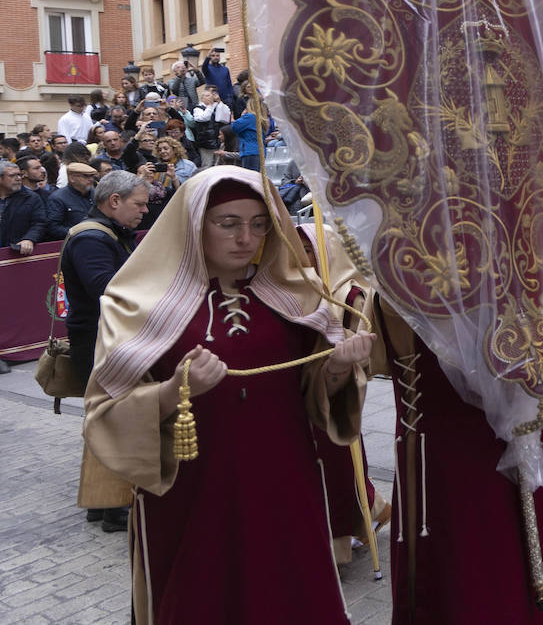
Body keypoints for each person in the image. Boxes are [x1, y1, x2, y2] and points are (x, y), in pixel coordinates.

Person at [82, 167, 373, 624]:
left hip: (285, 483)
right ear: (195, 225)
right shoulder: (137, 303)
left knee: (289, 594)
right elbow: (104, 412)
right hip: (193, 493)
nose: (246, 237)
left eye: (259, 223)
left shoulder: (296, 296)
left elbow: (313, 395)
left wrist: (336, 368)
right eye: (229, 223)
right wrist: (173, 392)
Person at [377, 303, 543, 625]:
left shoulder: (497, 276)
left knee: (512, 588)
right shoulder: (402, 284)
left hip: (507, 457)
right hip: (450, 471)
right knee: (469, 591)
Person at [295, 223, 391, 566]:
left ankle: (341, 543)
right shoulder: (292, 289)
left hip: (336, 397)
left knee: (337, 473)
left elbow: (365, 351)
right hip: (301, 395)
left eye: (308, 249)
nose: (301, 256)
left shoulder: (351, 295)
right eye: (297, 248)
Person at [60, 169, 147, 530]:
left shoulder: (108, 233)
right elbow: (107, 288)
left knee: (105, 419)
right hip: (99, 340)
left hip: (103, 338)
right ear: (114, 201)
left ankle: (101, 502)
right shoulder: (93, 239)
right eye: (138, 204)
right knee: (115, 420)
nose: (144, 211)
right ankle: (115, 508)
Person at [0, 159, 49, 254]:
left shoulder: (31, 198)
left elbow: (39, 223)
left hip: (17, 252)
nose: (18, 178)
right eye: (12, 176)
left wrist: (29, 239)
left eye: (19, 175)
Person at [46, 161, 98, 236]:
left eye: (92, 176)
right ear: (72, 178)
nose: (91, 179)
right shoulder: (58, 198)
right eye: (86, 176)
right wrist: (79, 232)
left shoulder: (96, 194)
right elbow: (53, 227)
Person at [193, 85, 232, 167]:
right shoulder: (198, 108)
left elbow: (225, 118)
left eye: (211, 95)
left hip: (217, 141)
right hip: (206, 143)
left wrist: (219, 102)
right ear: (202, 98)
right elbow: (204, 118)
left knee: (219, 165)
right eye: (207, 96)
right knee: (207, 165)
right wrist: (210, 106)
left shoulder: (217, 106)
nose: (210, 97)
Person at [229, 105, 275, 172]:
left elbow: (235, 127)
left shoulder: (250, 117)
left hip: (250, 151)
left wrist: (238, 118)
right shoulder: (261, 118)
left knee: (249, 178)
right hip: (259, 151)